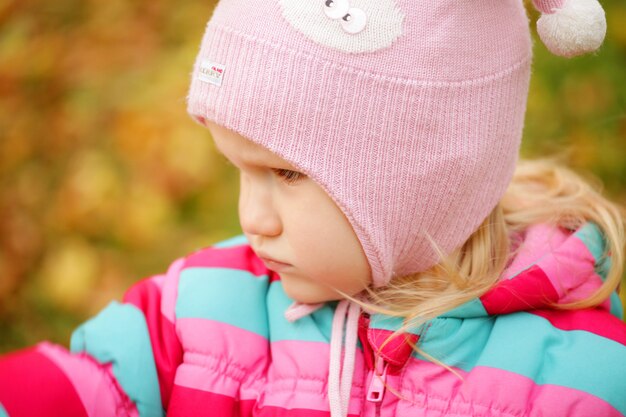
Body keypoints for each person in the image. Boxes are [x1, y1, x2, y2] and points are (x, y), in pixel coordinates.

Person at [1, 0, 625, 416]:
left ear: (426, 179)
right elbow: (79, 389)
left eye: (287, 173)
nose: (253, 219)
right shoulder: (197, 314)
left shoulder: (581, 379)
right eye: (238, 168)